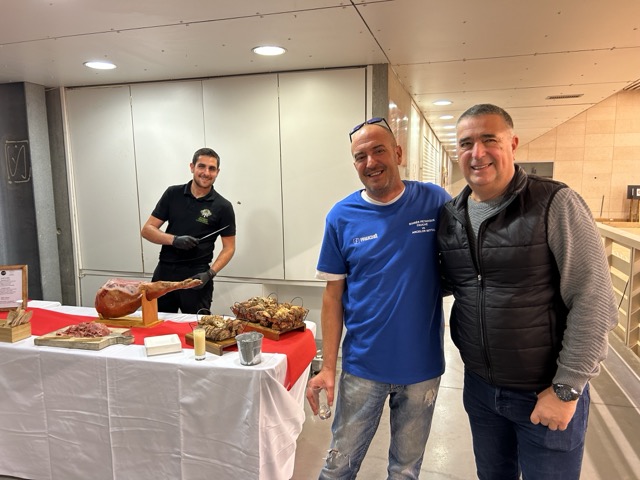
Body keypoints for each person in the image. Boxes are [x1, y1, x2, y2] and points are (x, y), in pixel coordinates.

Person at [437, 104, 618, 480]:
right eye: (467, 143)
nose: (477, 153)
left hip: (544, 391)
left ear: (513, 143)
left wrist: (567, 388)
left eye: (489, 139)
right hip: (481, 390)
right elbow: (451, 283)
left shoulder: (554, 202)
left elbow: (594, 299)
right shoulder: (452, 216)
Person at [307, 117, 451, 479]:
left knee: (405, 471)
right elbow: (332, 298)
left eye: (378, 150)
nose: (370, 162)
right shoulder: (341, 217)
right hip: (363, 367)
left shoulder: (434, 201)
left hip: (422, 368)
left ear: (398, 153)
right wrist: (328, 366)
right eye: (360, 156)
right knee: (338, 467)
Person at [141, 147, 236, 314]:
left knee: (197, 327)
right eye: (201, 166)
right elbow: (147, 230)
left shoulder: (223, 206)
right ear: (192, 167)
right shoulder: (173, 194)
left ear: (217, 172)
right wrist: (174, 240)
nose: (206, 173)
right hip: (165, 272)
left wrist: (210, 273)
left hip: (197, 276)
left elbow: (229, 247)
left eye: (212, 168)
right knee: (157, 324)